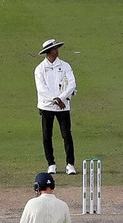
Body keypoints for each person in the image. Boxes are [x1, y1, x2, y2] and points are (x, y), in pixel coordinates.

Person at [35, 39, 78, 175]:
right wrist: (55, 99)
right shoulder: (40, 69)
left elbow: (72, 84)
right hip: (47, 106)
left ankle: (70, 164)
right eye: (55, 49)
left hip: (63, 106)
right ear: (49, 52)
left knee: (67, 135)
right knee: (47, 136)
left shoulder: (65, 66)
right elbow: (41, 89)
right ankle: (51, 164)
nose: (57, 51)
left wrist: (62, 98)